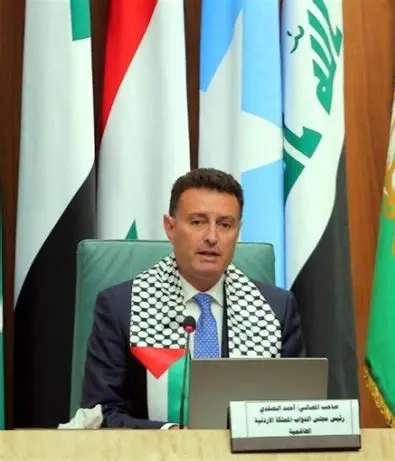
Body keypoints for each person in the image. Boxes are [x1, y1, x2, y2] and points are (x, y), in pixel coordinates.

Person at [81, 168, 305, 429]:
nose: (211, 237)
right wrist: (172, 434)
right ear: (170, 227)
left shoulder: (276, 310)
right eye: (197, 222)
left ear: (238, 231)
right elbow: (100, 414)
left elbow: (296, 413)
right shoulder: (122, 307)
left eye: (225, 224)